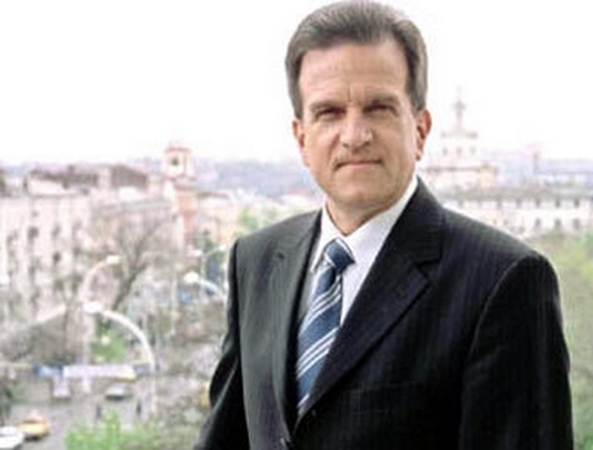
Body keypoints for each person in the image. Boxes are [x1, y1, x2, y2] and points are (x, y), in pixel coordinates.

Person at [195, 1, 573, 449]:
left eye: (378, 108)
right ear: (301, 137)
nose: (355, 135)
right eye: (329, 112)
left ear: (420, 129)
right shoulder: (256, 261)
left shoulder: (503, 281)